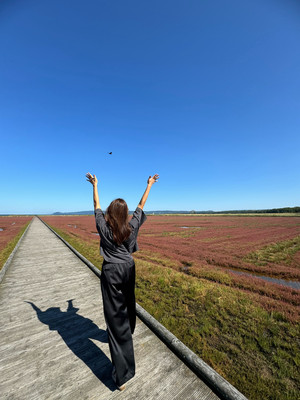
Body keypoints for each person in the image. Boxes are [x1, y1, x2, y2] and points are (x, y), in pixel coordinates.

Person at [86, 172, 159, 391]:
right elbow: (141, 205)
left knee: (114, 320)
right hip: (128, 268)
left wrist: (95, 185)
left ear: (110, 213)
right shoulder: (132, 227)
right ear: (125, 214)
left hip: (111, 272)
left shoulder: (103, 226)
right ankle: (129, 329)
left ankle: (122, 376)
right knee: (128, 305)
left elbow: (96, 204)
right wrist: (149, 185)